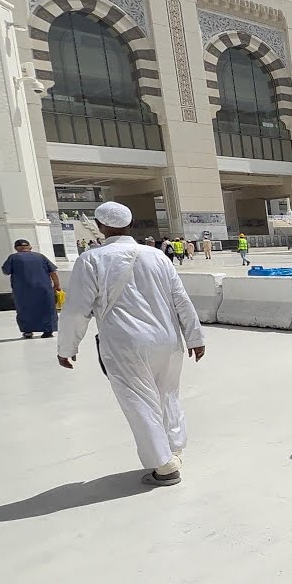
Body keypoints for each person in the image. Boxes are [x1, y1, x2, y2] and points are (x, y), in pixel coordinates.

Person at [57, 202, 206, 487]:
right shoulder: (157, 256)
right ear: (130, 224)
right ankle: (174, 448)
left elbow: (76, 310)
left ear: (100, 227)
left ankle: (164, 467)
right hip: (168, 339)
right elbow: (181, 300)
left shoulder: (92, 259)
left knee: (140, 402)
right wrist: (195, 337)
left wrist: (67, 348)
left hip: (126, 343)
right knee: (167, 395)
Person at [1, 239, 61, 339]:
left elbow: (6, 271)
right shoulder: (40, 257)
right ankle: (48, 331)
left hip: (23, 291)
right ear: (30, 247)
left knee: (25, 310)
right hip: (44, 289)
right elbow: (53, 272)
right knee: (47, 309)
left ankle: (28, 331)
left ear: (16, 248)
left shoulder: (13, 258)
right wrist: (57, 285)